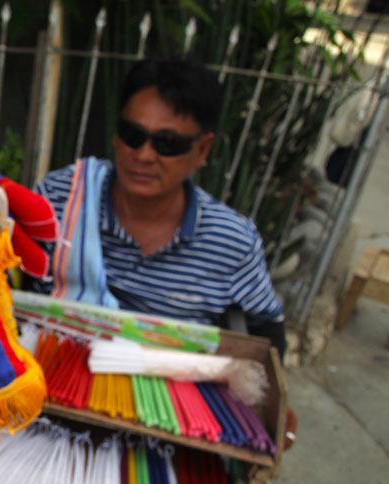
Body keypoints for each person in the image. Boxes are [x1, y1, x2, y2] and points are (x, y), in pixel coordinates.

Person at [29, 56, 287, 356]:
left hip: (165, 390)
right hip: (54, 374)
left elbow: (267, 332)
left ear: (202, 149)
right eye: (133, 136)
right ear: (116, 135)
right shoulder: (63, 198)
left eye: (167, 143)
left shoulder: (231, 241)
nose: (144, 155)